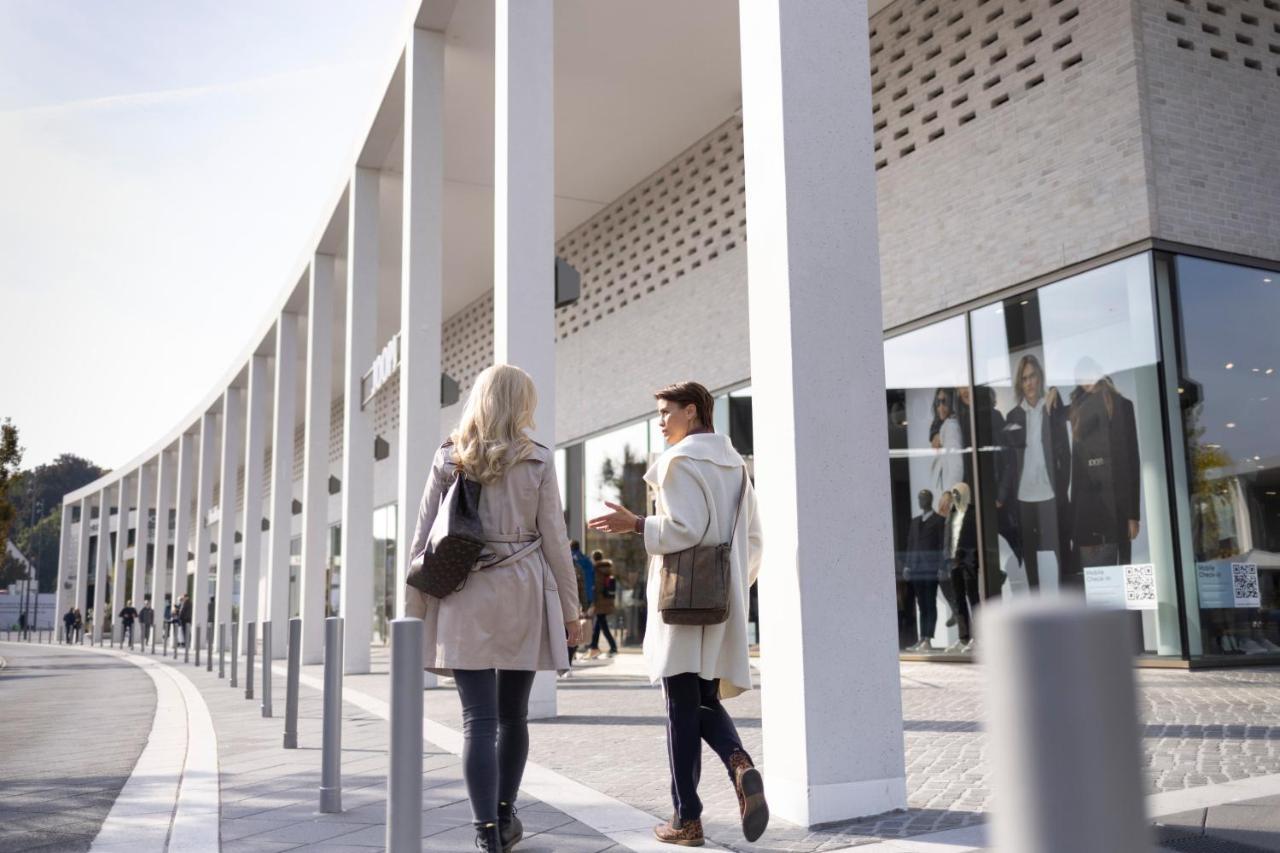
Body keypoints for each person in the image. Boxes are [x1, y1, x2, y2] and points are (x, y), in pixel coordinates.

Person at [405, 364, 584, 853]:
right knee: (513, 716)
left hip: (465, 593)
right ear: (521, 404)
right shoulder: (538, 461)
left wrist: (412, 613)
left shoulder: (450, 458)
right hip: (523, 591)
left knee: (476, 721)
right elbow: (555, 542)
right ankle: (506, 815)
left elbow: (422, 541)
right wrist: (571, 611)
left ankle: (485, 831)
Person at [589, 380, 767, 846]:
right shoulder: (737, 467)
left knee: (680, 707)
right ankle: (739, 763)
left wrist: (636, 524)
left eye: (667, 412)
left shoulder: (678, 462)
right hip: (720, 603)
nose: (661, 421)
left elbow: (686, 528)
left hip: (682, 601)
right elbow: (754, 542)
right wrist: (730, 585)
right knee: (703, 701)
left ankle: (687, 820)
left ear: (692, 411)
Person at [1000, 354, 1071, 590]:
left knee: (1061, 552)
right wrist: (1003, 496)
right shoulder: (1013, 416)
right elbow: (1010, 462)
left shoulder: (1051, 407)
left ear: (1039, 378)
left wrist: (1062, 485)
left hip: (1050, 494)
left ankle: (1065, 606)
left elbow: (1065, 452)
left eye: (1032, 376)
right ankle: (1036, 604)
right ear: (1020, 384)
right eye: (1024, 379)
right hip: (1024, 497)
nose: (1029, 383)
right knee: (1030, 559)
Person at [903, 489, 946, 652]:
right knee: (921, 604)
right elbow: (910, 544)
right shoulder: (914, 522)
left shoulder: (939, 520)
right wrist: (907, 565)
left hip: (931, 568)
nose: (921, 501)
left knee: (930, 602)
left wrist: (942, 567)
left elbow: (942, 545)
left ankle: (928, 638)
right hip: (916, 568)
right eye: (919, 498)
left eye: (924, 498)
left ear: (930, 500)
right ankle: (922, 638)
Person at [943, 483, 979, 653]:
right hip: (953, 561)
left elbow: (975, 538)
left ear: (965, 494)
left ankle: (978, 638)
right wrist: (946, 558)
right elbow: (948, 537)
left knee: (973, 598)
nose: (955, 496)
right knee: (958, 599)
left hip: (969, 560)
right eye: (953, 493)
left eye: (958, 494)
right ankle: (963, 638)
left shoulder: (973, 513)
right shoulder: (952, 513)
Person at [587, 549, 618, 658]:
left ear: (594, 558)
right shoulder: (607, 568)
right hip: (607, 599)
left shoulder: (596, 569)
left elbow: (597, 586)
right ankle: (594, 647)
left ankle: (611, 647)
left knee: (602, 624)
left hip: (600, 600)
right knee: (599, 624)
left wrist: (592, 599)